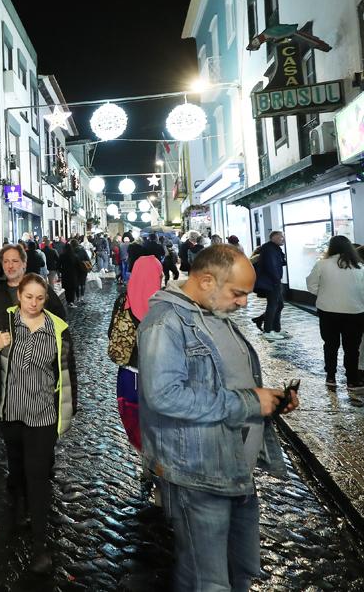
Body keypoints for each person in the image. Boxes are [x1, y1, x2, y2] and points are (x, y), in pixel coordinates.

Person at [138, 245, 297, 592]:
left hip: (233, 468)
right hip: (197, 473)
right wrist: (248, 403)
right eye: (237, 293)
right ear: (207, 280)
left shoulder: (212, 312)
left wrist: (269, 400)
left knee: (238, 569)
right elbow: (164, 395)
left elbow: (230, 382)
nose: (243, 303)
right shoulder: (166, 323)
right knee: (205, 579)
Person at [0, 273, 77, 574]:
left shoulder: (58, 330)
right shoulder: (4, 322)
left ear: (46, 299)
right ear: (18, 296)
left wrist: (69, 412)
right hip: (10, 413)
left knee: (38, 475)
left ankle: (39, 545)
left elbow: (69, 374)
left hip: (43, 416)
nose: (33, 303)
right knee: (17, 468)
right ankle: (19, 506)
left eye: (40, 297)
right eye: (28, 296)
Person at [111, 255, 163, 455]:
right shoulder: (164, 304)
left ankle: (146, 463)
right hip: (159, 374)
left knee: (135, 420)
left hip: (129, 373)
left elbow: (112, 333)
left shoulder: (123, 300)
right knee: (158, 423)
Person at [306, 235, 364, 391]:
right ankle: (352, 381)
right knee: (352, 348)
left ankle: (330, 377)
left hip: (328, 311)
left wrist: (325, 294)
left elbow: (311, 285)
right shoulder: (359, 266)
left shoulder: (322, 264)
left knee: (330, 345)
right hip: (355, 311)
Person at [0, 244, 66, 327]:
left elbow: (60, 318)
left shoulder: (42, 289)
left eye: (15, 261)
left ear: (24, 264)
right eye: (6, 261)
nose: (10, 266)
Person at [252, 230, 287, 341]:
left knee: (279, 305)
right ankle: (268, 330)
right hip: (271, 282)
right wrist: (276, 280)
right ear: (274, 237)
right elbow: (271, 266)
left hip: (273, 281)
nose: (283, 239)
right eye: (281, 237)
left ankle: (275, 328)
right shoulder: (270, 249)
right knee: (273, 305)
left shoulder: (273, 248)